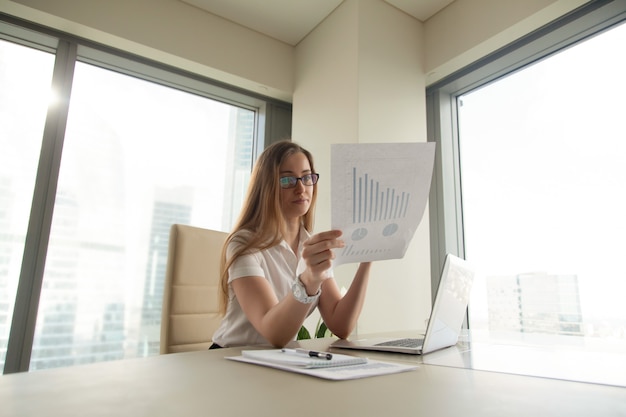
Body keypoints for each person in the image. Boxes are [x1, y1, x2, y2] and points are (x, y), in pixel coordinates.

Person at [211, 140, 372, 348]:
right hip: (229, 359)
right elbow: (274, 333)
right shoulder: (244, 244)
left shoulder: (311, 245)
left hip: (277, 362)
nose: (301, 188)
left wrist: (367, 256)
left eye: (307, 177)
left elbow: (341, 324)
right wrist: (309, 279)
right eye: (287, 180)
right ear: (266, 187)